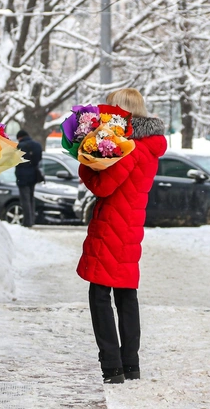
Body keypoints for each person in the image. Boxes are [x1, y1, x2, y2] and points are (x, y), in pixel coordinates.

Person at [77, 88, 167, 384]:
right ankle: (131, 363)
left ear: (124, 111)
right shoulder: (148, 147)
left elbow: (103, 187)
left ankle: (112, 365)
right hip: (130, 227)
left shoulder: (129, 148)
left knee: (100, 295)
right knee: (126, 295)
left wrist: (85, 164)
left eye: (111, 108)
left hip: (113, 226)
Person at [14, 129, 43, 227]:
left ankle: (27, 222)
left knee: (25, 199)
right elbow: (38, 159)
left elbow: (15, 160)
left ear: (19, 137)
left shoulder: (19, 147)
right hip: (33, 175)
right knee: (31, 198)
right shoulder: (37, 145)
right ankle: (32, 220)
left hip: (22, 176)